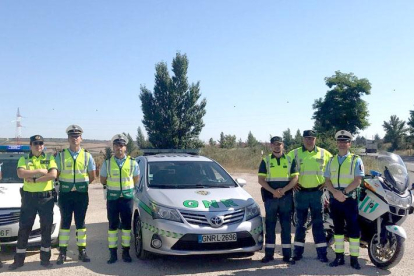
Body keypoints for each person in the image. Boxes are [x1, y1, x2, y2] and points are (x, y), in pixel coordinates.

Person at [9, 135, 57, 270]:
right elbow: (21, 173)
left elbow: (53, 175)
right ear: (30, 145)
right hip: (29, 199)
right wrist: (41, 171)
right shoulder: (24, 159)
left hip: (46, 198)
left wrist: (34, 179)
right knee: (24, 228)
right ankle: (18, 261)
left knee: (46, 228)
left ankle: (45, 260)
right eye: (35, 143)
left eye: (41, 143)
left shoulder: (49, 158)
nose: (39, 146)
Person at [288, 130, 332, 263]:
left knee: (318, 224)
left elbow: (334, 168)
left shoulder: (324, 153)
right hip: (301, 193)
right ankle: (297, 253)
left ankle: (322, 253)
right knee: (301, 224)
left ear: (315, 139)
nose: (309, 141)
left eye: (312, 138)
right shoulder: (294, 153)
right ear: (303, 139)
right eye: (307, 138)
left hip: (317, 193)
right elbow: (284, 168)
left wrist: (327, 182)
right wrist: (291, 183)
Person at [55, 125, 96, 265]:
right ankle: (62, 252)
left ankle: (82, 251)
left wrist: (81, 185)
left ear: (81, 138)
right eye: (72, 136)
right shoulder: (61, 155)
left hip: (81, 195)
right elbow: (57, 175)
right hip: (66, 194)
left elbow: (92, 176)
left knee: (81, 224)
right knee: (65, 223)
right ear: (68, 138)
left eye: (77, 136)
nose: (74, 138)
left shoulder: (87, 156)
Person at [324, 130, 364, 270]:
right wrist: (335, 192)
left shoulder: (355, 159)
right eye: (340, 141)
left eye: (345, 141)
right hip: (335, 198)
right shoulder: (331, 160)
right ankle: (339, 257)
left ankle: (354, 259)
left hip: (349, 199)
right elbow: (327, 180)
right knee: (338, 230)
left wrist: (343, 192)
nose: (342, 144)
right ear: (337, 143)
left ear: (349, 143)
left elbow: (358, 180)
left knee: (353, 230)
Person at [258, 136, 298, 264]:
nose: (277, 146)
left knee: (286, 227)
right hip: (271, 198)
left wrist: (284, 190)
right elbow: (261, 180)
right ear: (271, 146)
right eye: (275, 144)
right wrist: (273, 192)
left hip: (286, 198)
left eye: (279, 144)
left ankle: (287, 255)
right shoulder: (266, 161)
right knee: (270, 226)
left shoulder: (290, 160)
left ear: (283, 146)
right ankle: (269, 255)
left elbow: (295, 179)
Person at [100, 134, 139, 264]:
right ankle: (113, 254)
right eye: (116, 145)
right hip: (113, 199)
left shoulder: (132, 162)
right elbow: (102, 179)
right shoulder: (107, 163)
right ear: (113, 147)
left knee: (127, 227)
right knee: (112, 226)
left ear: (125, 147)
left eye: (121, 145)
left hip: (127, 198)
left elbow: (136, 179)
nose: (119, 148)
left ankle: (126, 252)